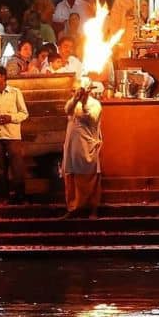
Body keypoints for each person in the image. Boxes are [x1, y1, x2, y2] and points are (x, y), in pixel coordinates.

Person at [0, 66, 29, 203]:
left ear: (4, 77)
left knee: (17, 167)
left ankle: (20, 195)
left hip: (13, 135)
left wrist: (11, 118)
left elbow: (24, 113)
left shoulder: (15, 93)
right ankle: (2, 196)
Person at [61, 85, 103, 219]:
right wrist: (75, 99)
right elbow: (67, 110)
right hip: (71, 146)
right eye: (74, 90)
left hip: (87, 146)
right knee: (70, 175)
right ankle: (72, 208)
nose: (76, 92)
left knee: (90, 176)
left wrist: (84, 103)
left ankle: (92, 209)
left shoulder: (95, 104)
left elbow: (92, 119)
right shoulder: (73, 101)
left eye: (79, 90)